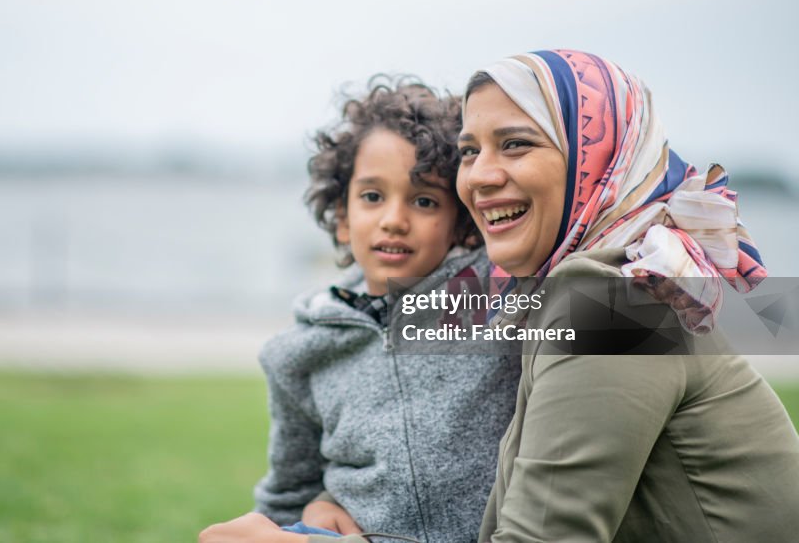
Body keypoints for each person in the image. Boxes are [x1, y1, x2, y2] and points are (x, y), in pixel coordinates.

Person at [199, 51, 799, 543]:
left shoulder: (616, 298)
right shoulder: (594, 284)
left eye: (515, 144)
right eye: (469, 150)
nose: (480, 176)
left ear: (601, 160)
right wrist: (331, 498)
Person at [247, 77, 520, 541]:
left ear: (462, 225)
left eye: (424, 200)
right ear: (341, 217)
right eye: (372, 197)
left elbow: (649, 326)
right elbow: (288, 491)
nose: (394, 219)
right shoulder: (299, 351)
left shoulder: (496, 297)